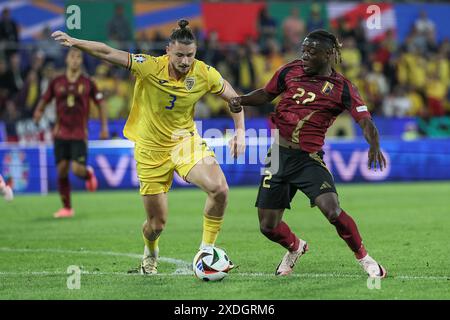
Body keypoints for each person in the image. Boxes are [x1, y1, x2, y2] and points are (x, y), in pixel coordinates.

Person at [51, 19, 245, 275]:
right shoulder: (149, 66)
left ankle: (206, 251)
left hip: (184, 142)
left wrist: (240, 131)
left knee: (219, 189)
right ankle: (150, 253)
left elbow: (233, 98)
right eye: (179, 55)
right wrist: (76, 42)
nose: (185, 61)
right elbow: (108, 52)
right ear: (168, 51)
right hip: (150, 150)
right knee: (156, 224)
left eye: (190, 55)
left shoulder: (204, 73)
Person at [229, 29, 387, 278]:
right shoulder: (289, 71)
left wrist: (374, 144)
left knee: (332, 210)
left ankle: (366, 260)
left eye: (311, 52)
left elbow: (365, 121)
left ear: (328, 55)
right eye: (303, 50)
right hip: (279, 155)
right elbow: (266, 94)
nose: (304, 56)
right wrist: (242, 100)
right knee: (267, 227)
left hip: (307, 158)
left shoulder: (343, 88)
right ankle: (295, 247)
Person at [33, 48, 109, 218]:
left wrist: (104, 127)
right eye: (72, 56)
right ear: (67, 59)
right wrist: (38, 112)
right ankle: (67, 208)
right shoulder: (56, 81)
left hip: (79, 133)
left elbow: (101, 103)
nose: (75, 60)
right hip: (60, 133)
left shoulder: (88, 82)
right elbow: (45, 99)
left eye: (78, 57)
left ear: (81, 61)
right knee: (61, 170)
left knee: (76, 169)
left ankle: (88, 174)